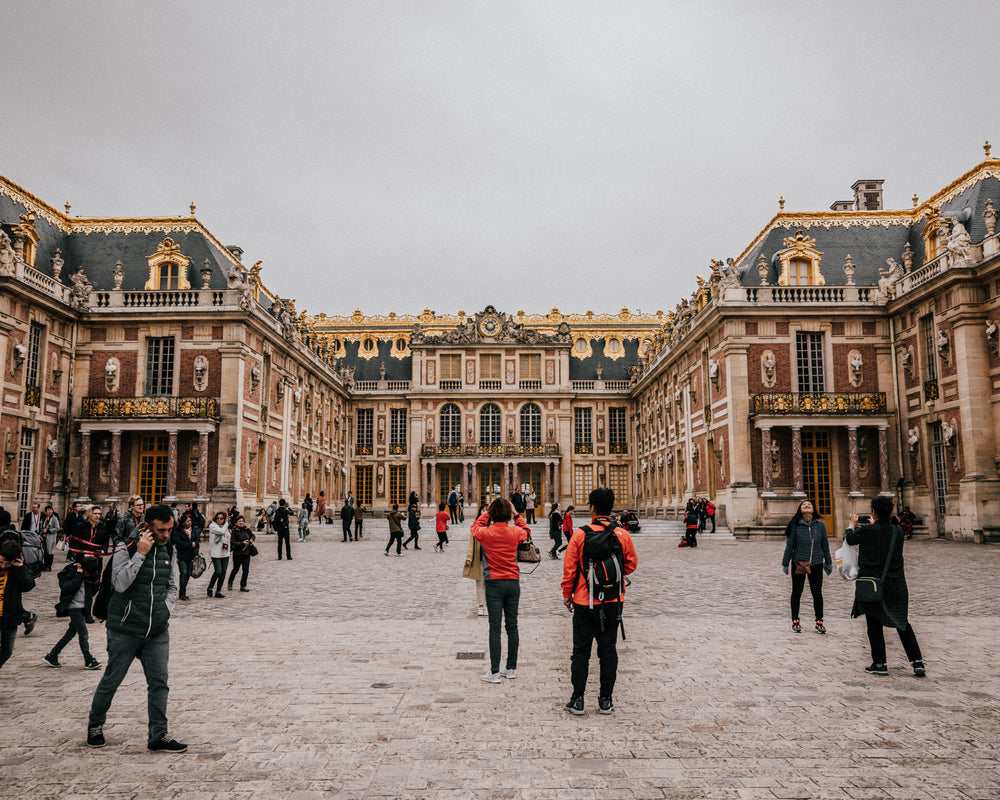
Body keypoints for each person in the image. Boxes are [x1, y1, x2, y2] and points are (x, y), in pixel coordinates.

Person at [87, 503, 186, 751]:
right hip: (125, 629)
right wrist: (140, 554)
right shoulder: (125, 548)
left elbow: (172, 585)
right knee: (112, 679)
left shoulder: (170, 548)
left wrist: (165, 610)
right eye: (161, 530)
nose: (166, 535)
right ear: (147, 527)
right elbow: (120, 584)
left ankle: (158, 736)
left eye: (169, 530)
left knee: (159, 683)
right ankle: (95, 724)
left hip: (156, 630)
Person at [561, 487, 638, 715]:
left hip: (585, 602)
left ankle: (578, 700)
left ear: (591, 507)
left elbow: (570, 570)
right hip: (613, 600)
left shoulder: (580, 534)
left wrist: (568, 595)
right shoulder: (622, 534)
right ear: (611, 507)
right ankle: (605, 700)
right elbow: (631, 564)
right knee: (608, 651)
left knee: (580, 653)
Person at [846, 497, 925, 677]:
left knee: (874, 623)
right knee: (902, 622)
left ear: (873, 511)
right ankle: (917, 662)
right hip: (896, 583)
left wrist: (852, 524)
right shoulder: (897, 531)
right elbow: (884, 535)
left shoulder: (867, 531)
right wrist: (876, 524)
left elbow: (849, 539)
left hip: (873, 584)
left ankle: (880, 663)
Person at [472, 497, 531, 683]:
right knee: (512, 627)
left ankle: (495, 672)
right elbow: (527, 532)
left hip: (494, 583)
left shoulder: (486, 532)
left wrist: (488, 512)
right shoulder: (515, 532)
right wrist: (516, 514)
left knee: (495, 628)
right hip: (513, 582)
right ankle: (510, 668)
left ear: (492, 514)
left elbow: (474, 527)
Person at [781, 499, 832, 634]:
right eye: (804, 504)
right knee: (797, 592)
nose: (807, 505)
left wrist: (829, 562)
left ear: (813, 509)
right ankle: (795, 620)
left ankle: (819, 621)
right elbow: (789, 546)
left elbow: (825, 545)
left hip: (816, 563)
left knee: (817, 593)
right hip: (799, 563)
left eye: (809, 504)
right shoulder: (795, 525)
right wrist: (785, 563)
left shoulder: (820, 525)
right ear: (800, 510)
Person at [44, 555, 102, 670]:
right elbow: (67, 588)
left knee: (70, 633)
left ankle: (52, 655)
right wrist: (79, 575)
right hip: (73, 606)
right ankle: (88, 660)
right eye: (86, 573)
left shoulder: (91, 574)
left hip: (83, 607)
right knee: (83, 633)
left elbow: (94, 587)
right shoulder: (70, 571)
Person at [0, 535, 36, 670]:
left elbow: (28, 586)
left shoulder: (18, 570)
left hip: (10, 617)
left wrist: (19, 568)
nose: (3, 566)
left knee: (7, 651)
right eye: (1, 562)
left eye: (7, 564)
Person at [171, 515, 199, 600]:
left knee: (188, 574)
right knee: (184, 573)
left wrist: (195, 545)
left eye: (190, 520)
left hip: (191, 555)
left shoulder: (193, 530)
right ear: (183, 523)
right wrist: (190, 544)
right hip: (181, 555)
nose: (189, 522)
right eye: (187, 521)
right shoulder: (178, 531)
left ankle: (183, 590)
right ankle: (182, 593)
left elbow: (197, 541)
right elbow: (178, 543)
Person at [227, 515, 255, 592]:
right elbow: (232, 542)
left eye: (242, 521)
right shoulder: (234, 530)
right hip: (238, 553)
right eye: (239, 521)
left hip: (246, 553)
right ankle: (230, 583)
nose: (241, 523)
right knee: (236, 569)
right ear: (236, 523)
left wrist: (252, 539)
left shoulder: (246, 529)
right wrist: (242, 543)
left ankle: (243, 585)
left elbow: (252, 535)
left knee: (246, 570)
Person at [207, 511, 230, 598]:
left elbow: (228, 538)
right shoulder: (212, 526)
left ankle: (218, 591)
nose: (219, 520)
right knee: (218, 571)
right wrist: (227, 523)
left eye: (221, 518)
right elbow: (221, 531)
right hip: (215, 553)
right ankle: (210, 587)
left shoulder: (226, 527)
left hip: (225, 552)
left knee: (223, 573)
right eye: (218, 518)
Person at [41, 504, 60, 571]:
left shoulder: (54, 518)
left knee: (50, 552)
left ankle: (49, 566)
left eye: (51, 510)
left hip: (51, 538)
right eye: (48, 510)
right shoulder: (44, 518)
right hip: (44, 537)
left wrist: (48, 530)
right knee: (45, 552)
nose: (50, 511)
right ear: (45, 511)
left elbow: (57, 528)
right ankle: (45, 565)